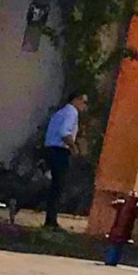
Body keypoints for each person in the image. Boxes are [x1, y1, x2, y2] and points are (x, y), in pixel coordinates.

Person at [32, 97, 80, 228]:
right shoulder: (72, 112)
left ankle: (49, 217)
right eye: (84, 102)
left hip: (50, 149)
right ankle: (51, 220)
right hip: (60, 151)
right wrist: (73, 147)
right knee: (58, 186)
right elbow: (64, 132)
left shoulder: (61, 112)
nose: (85, 106)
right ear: (76, 100)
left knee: (54, 185)